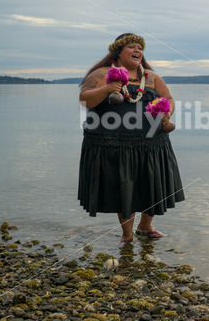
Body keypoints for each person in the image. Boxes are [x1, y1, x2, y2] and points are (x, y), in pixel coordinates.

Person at [78, 33, 184, 243]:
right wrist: (108, 88)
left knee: (151, 183)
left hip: (152, 143)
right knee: (124, 187)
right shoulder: (101, 74)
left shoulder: (151, 77)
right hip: (114, 144)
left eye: (140, 48)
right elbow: (85, 100)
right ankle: (127, 236)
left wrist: (168, 112)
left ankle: (145, 227)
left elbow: (169, 98)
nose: (138, 51)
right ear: (118, 51)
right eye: (132, 47)